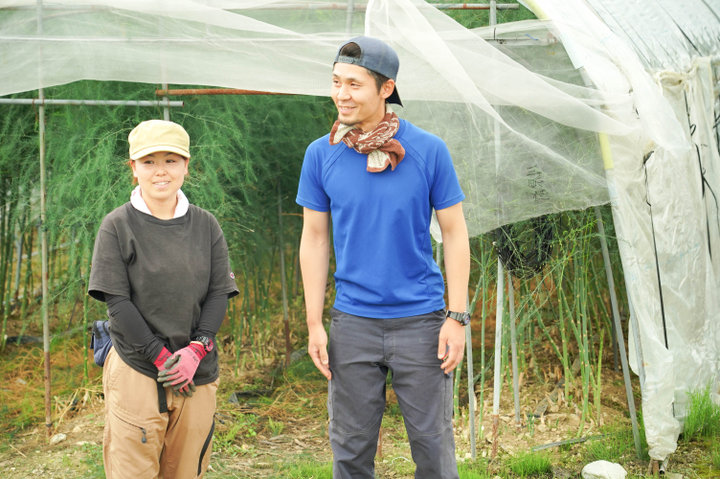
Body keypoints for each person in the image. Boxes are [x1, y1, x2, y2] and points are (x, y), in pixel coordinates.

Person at [296, 36, 471, 478]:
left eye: (354, 84)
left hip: (422, 322)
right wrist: (314, 323)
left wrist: (457, 316)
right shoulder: (321, 154)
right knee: (350, 450)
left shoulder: (429, 150)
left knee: (433, 450)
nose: (341, 94)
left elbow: (454, 233)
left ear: (386, 88)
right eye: (336, 82)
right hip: (353, 323)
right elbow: (314, 239)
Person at [88, 119, 238, 479]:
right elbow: (117, 303)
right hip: (136, 366)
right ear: (133, 168)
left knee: (185, 470)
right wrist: (161, 358)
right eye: (149, 162)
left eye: (171, 160)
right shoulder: (117, 225)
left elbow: (219, 292)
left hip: (195, 370)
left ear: (186, 166)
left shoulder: (206, 225)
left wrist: (195, 350)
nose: (160, 171)